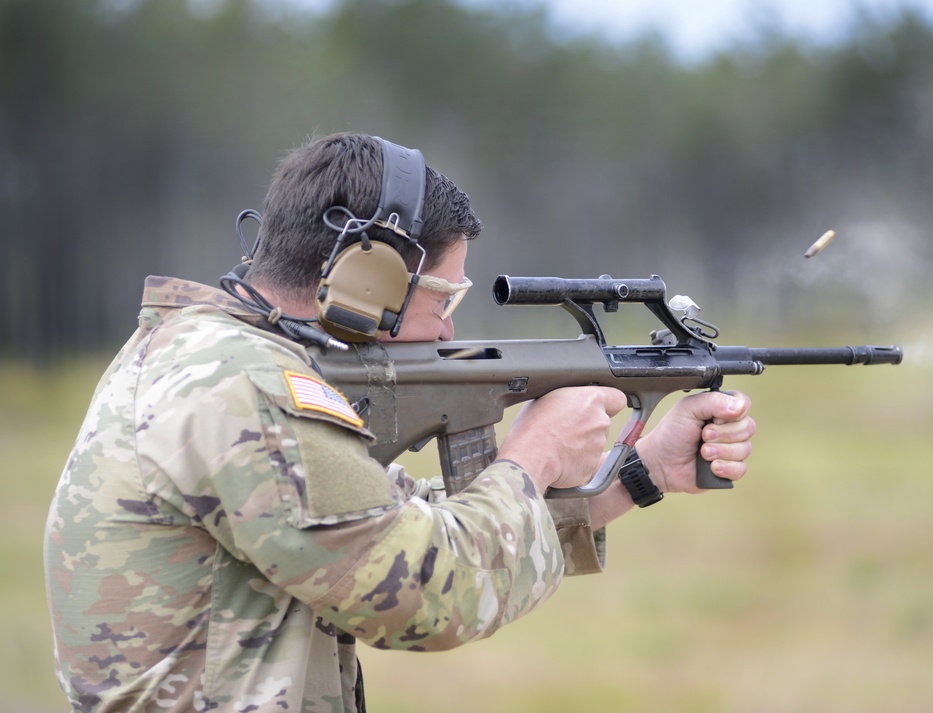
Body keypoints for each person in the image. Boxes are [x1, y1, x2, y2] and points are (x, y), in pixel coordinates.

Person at [44, 132, 755, 713]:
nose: (449, 321)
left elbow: (384, 520)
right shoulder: (244, 389)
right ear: (368, 278)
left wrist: (640, 473)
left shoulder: (210, 356)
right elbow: (423, 592)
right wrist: (534, 454)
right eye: (444, 293)